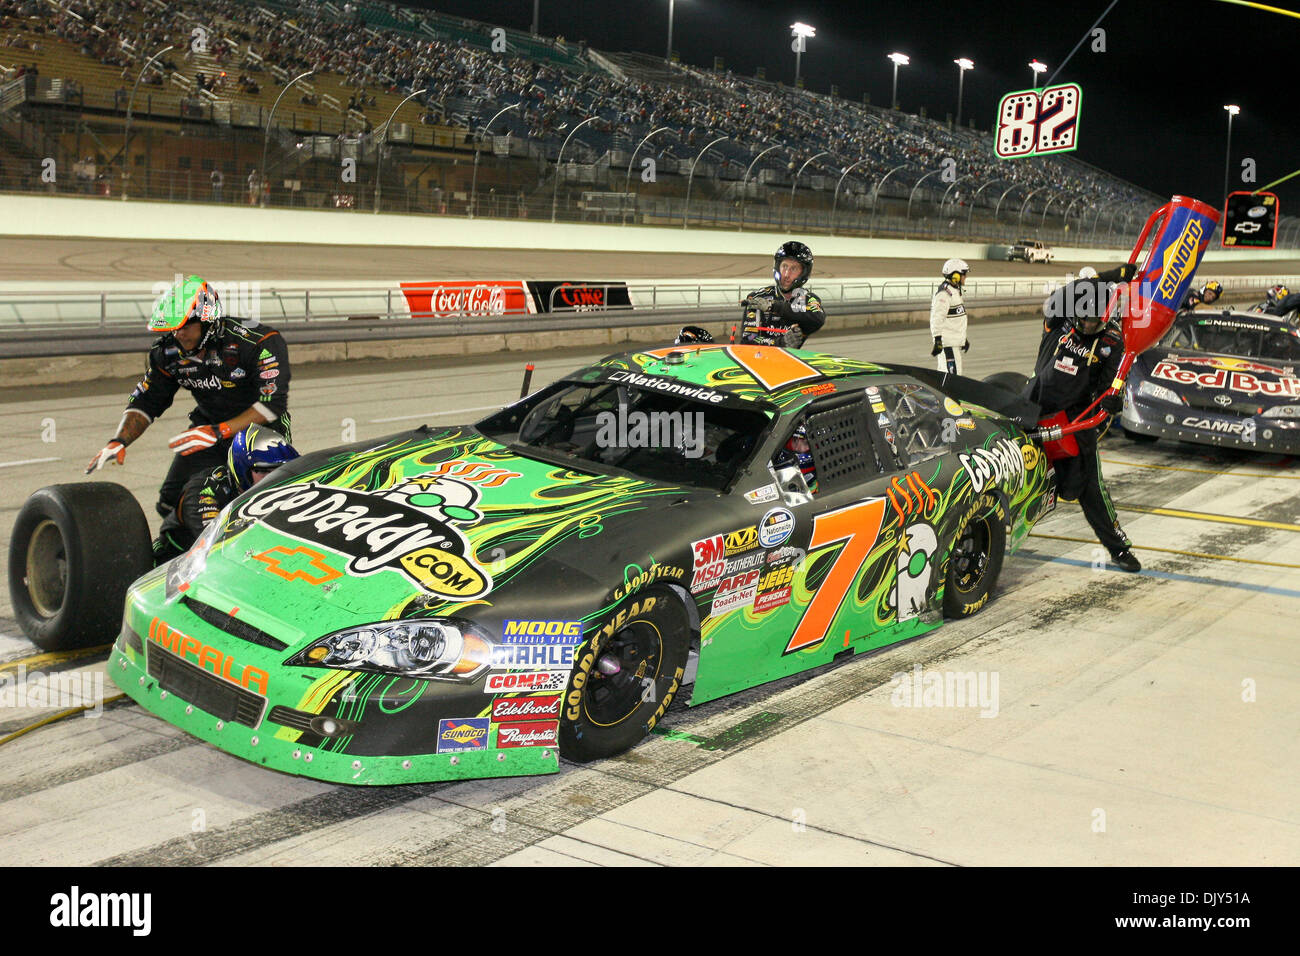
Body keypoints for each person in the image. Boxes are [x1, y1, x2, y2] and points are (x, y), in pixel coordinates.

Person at [85, 275, 292, 520]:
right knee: (171, 504)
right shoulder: (167, 352)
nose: (178, 334)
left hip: (260, 431)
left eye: (184, 326)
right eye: (174, 328)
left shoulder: (258, 342)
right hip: (207, 431)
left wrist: (221, 430)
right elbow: (147, 400)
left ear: (207, 321)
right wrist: (118, 441)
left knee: (258, 503)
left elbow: (272, 404)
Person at [1027, 262, 1141, 573]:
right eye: (1083, 320)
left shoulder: (1113, 342)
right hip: (1033, 407)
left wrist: (1112, 401)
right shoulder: (1059, 319)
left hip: (1075, 420)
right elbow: (1064, 296)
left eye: (1094, 323)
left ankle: (1118, 549)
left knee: (1088, 487)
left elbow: (1107, 388)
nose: (1087, 327)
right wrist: (1110, 276)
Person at [152, 424, 299, 564]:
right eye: (264, 471)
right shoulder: (205, 490)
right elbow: (214, 542)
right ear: (242, 470)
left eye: (281, 470)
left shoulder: (293, 488)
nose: (274, 478)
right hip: (175, 565)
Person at [739, 240, 826, 347]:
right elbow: (748, 340)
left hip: (789, 360)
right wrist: (781, 343)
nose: (786, 274)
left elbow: (818, 319)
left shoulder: (808, 299)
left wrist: (773, 306)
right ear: (777, 267)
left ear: (804, 273)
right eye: (784, 266)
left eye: (793, 269)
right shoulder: (758, 298)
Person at [930, 258, 969, 374]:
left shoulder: (955, 291)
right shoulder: (944, 294)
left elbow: (956, 320)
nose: (965, 277)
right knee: (952, 380)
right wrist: (937, 339)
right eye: (964, 274)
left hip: (954, 344)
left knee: (952, 377)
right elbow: (937, 318)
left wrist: (963, 340)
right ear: (955, 275)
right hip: (947, 345)